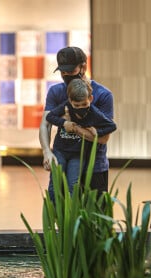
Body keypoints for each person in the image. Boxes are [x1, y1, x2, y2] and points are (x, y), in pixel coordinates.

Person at [39, 46, 114, 197]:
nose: (66, 75)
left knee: (94, 217)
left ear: (83, 67)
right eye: (62, 72)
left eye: (70, 71)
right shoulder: (56, 91)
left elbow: (103, 138)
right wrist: (47, 151)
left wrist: (72, 127)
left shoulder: (103, 95)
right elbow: (45, 123)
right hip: (64, 162)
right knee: (63, 212)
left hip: (95, 167)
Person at [46, 78, 117, 201]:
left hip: (78, 154)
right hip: (60, 151)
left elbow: (111, 126)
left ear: (90, 99)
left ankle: (71, 212)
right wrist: (64, 123)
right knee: (55, 183)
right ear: (70, 101)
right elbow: (50, 117)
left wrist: (97, 132)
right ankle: (54, 212)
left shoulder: (94, 112)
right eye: (76, 105)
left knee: (73, 184)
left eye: (84, 104)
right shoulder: (66, 106)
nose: (81, 108)